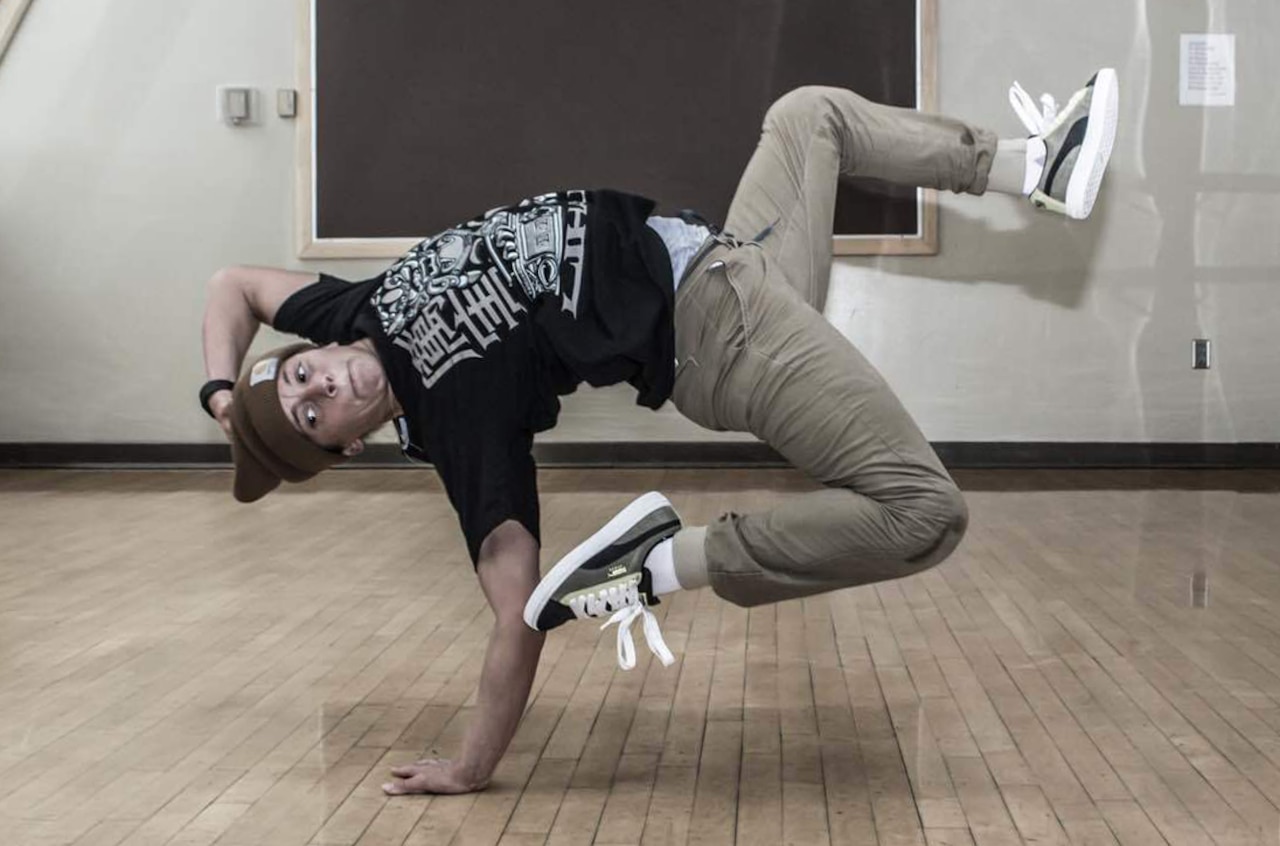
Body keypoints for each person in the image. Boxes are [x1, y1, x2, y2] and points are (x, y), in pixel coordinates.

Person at [200, 70, 1119, 795]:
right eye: (314, 418)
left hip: (729, 260)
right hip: (728, 339)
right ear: (348, 444)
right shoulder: (454, 417)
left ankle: (1037, 166)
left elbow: (232, 285)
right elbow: (518, 608)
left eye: (302, 376)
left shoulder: (351, 306)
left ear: (306, 348)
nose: (322, 387)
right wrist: (474, 764)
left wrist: (219, 394)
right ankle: (661, 564)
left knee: (809, 115)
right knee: (925, 512)